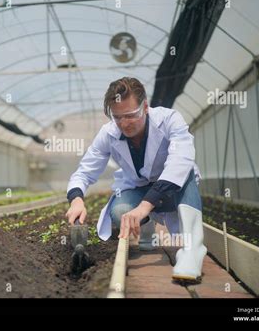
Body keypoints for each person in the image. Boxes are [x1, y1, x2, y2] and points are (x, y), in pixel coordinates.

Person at [65, 77, 207, 282]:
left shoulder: (170, 120)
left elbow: (180, 162)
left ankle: (192, 249)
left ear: (145, 107)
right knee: (119, 212)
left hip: (172, 188)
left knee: (185, 175)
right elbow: (84, 172)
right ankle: (146, 227)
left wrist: (144, 206)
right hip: (139, 187)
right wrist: (76, 199)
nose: (124, 123)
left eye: (131, 115)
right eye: (117, 117)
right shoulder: (108, 133)